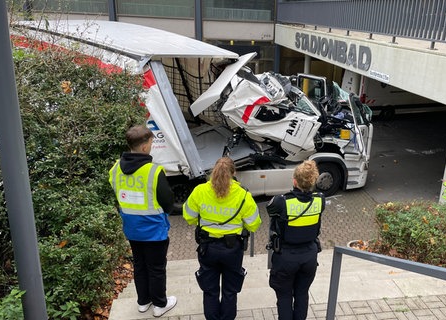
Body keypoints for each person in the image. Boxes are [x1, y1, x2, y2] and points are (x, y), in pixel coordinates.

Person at [109, 125, 177, 317]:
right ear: (145, 147)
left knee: (139, 265)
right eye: (151, 142)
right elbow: (168, 201)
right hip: (154, 230)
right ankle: (159, 305)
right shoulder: (153, 171)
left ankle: (143, 301)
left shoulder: (115, 169)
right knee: (156, 268)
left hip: (131, 228)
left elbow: (118, 195)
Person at [183, 157, 261, 320]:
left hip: (207, 248)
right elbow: (254, 224)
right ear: (234, 173)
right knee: (230, 290)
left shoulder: (199, 191)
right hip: (233, 250)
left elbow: (188, 217)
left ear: (213, 171)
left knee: (210, 290)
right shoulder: (244, 195)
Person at [266, 160, 325, 320]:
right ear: (313, 182)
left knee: (284, 297)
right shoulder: (320, 199)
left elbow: (270, 210)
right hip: (309, 256)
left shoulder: (281, 201)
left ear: (294, 181)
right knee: (302, 294)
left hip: (286, 257)